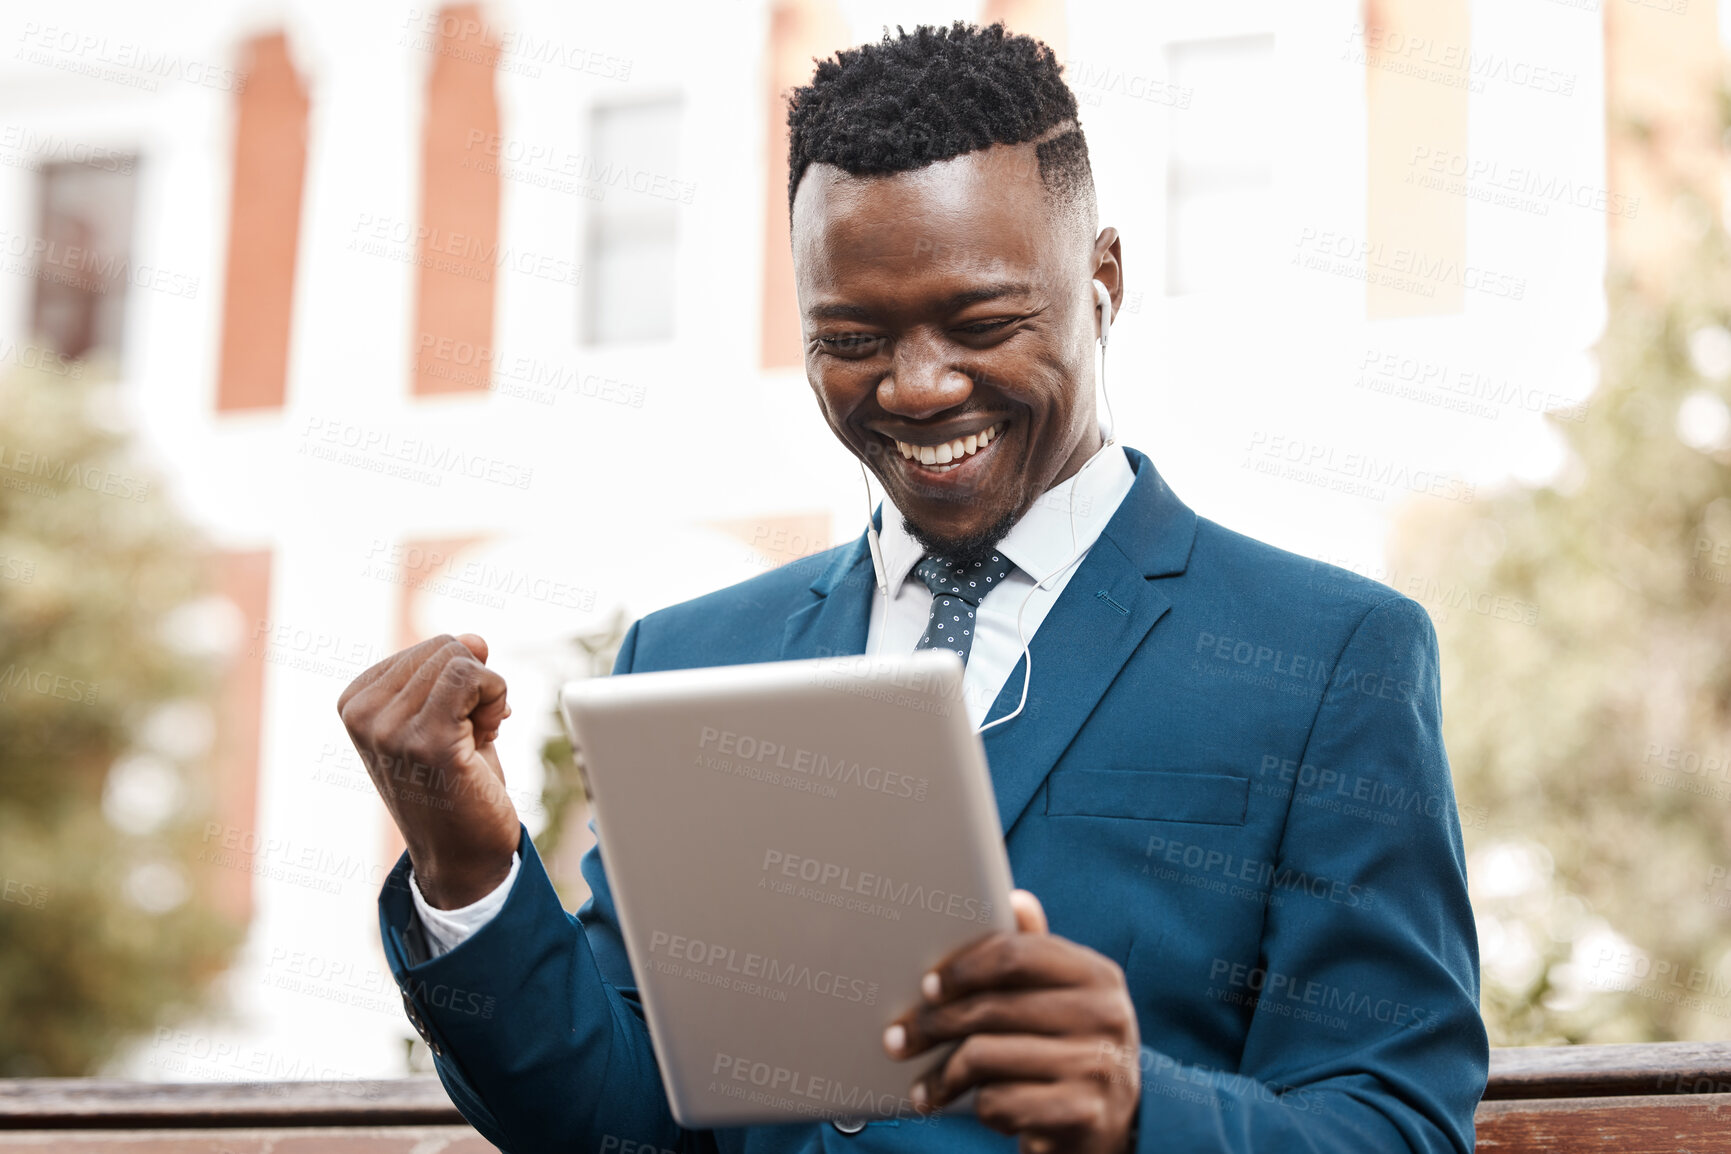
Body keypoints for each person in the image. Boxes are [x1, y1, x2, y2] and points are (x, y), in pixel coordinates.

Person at [338, 22, 1488, 1154]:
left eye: (983, 322)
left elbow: (1395, 1120)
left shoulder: (1332, 655)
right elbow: (617, 1120)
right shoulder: (690, 658)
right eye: (851, 336)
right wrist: (468, 864)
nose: (921, 386)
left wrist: (1143, 1108)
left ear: (1104, 281)